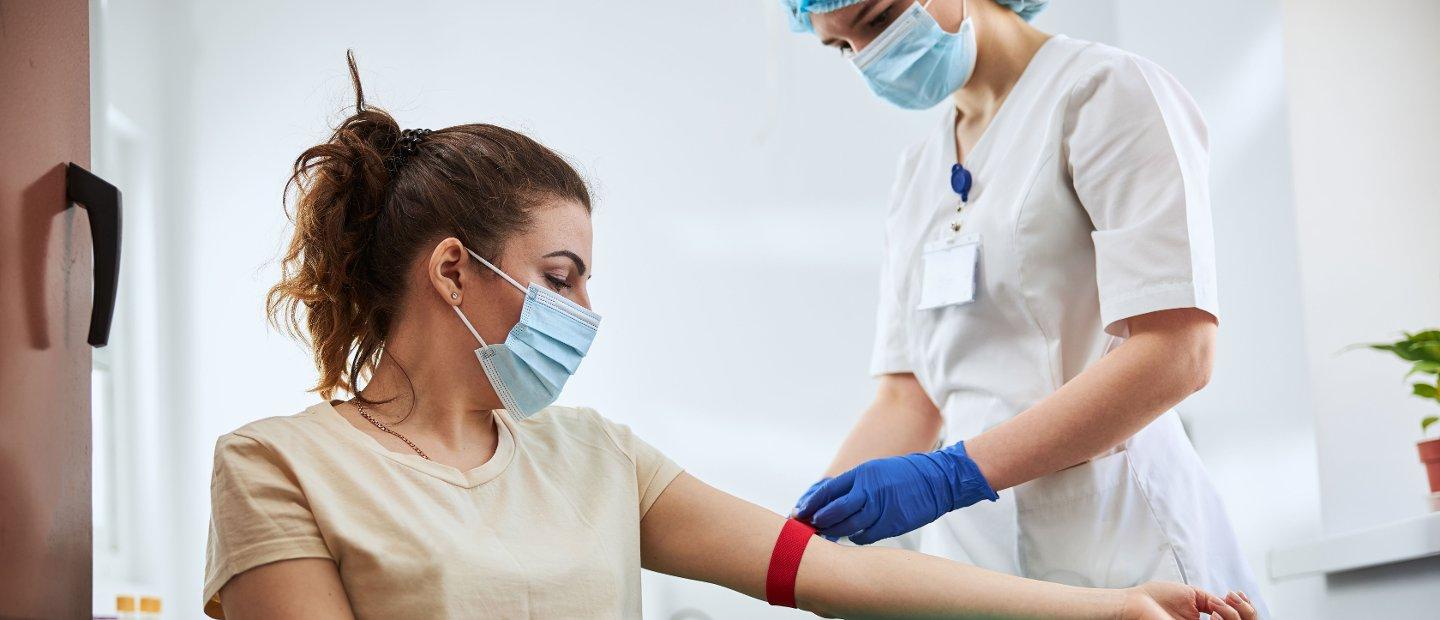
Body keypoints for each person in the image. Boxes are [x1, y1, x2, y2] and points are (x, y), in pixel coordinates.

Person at [201, 53, 1257, 620]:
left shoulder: (596, 455)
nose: (582, 315)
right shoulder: (278, 466)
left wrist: (1113, 609)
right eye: (560, 277)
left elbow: (846, 576)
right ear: (450, 270)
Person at [778, 0, 1267, 614]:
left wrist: (951, 477)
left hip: (1124, 540)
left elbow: (1178, 352)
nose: (869, 57)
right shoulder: (917, 172)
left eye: (878, 21)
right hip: (982, 570)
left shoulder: (1101, 91)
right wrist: (799, 542)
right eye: (840, 47)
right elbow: (909, 396)